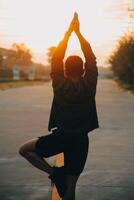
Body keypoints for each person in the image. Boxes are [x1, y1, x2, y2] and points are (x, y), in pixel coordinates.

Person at [19, 12, 99, 200]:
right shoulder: (90, 84)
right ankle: (60, 176)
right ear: (84, 70)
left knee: (24, 150)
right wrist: (78, 33)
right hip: (80, 141)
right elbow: (91, 58)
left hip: (61, 137)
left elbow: (56, 58)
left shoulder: (59, 84)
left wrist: (68, 33)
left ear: (64, 69)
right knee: (70, 191)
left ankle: (55, 174)